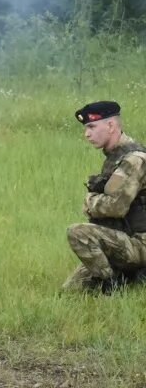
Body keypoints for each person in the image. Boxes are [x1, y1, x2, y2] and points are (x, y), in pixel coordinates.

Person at [62, 100, 146, 293]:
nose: (86, 134)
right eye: (85, 128)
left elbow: (116, 207)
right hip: (124, 237)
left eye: (92, 126)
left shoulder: (134, 160)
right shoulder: (114, 157)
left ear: (110, 125)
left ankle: (113, 286)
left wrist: (89, 201)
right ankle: (128, 275)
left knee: (78, 232)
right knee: (70, 291)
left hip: (140, 242)